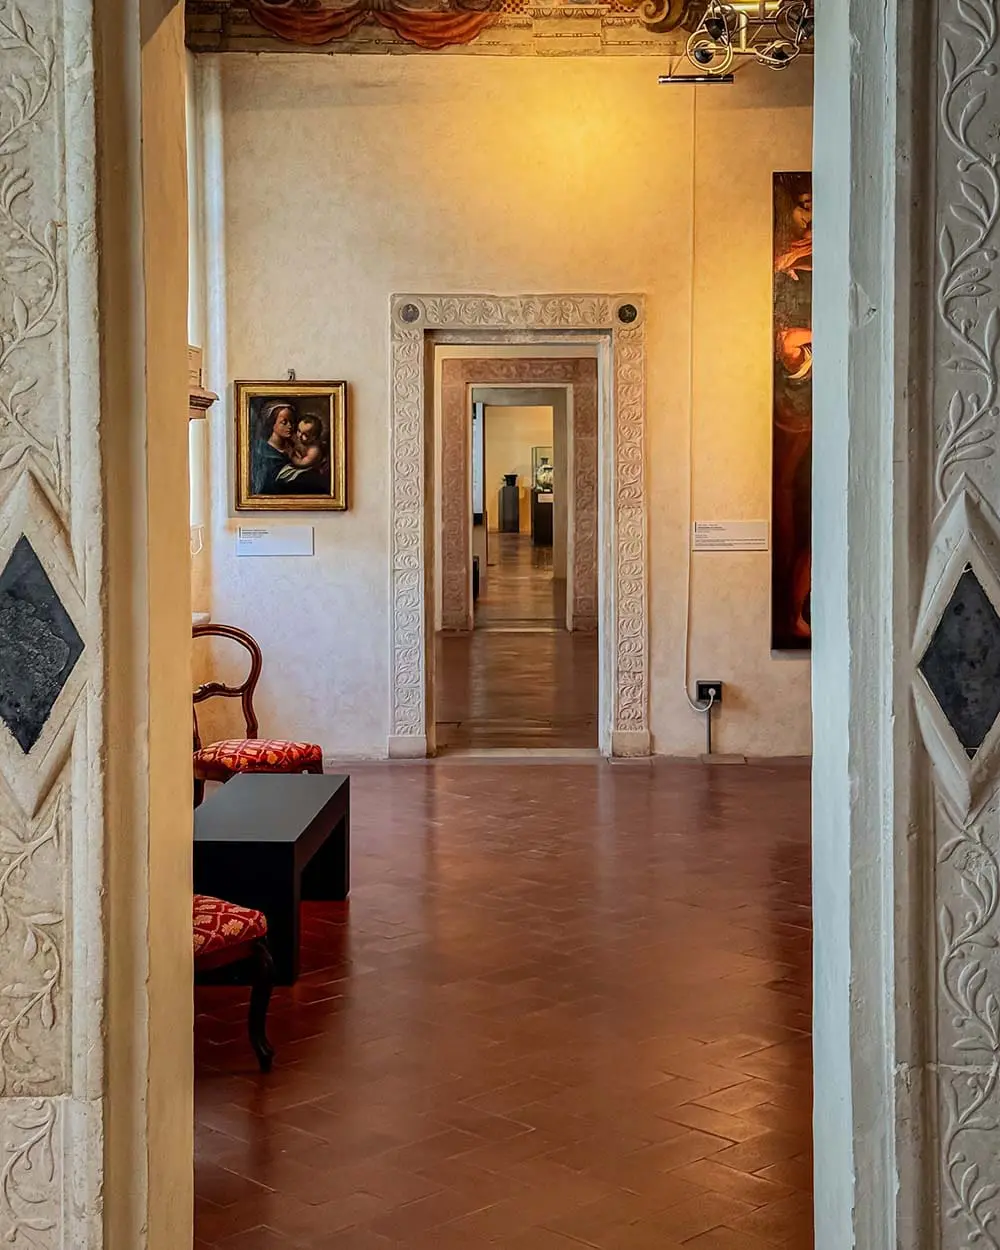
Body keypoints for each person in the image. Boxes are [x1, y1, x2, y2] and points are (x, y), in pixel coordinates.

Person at [251, 401, 330, 496]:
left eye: (292, 422)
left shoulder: (294, 444)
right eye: (284, 422)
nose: (290, 426)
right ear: (272, 423)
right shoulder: (266, 453)